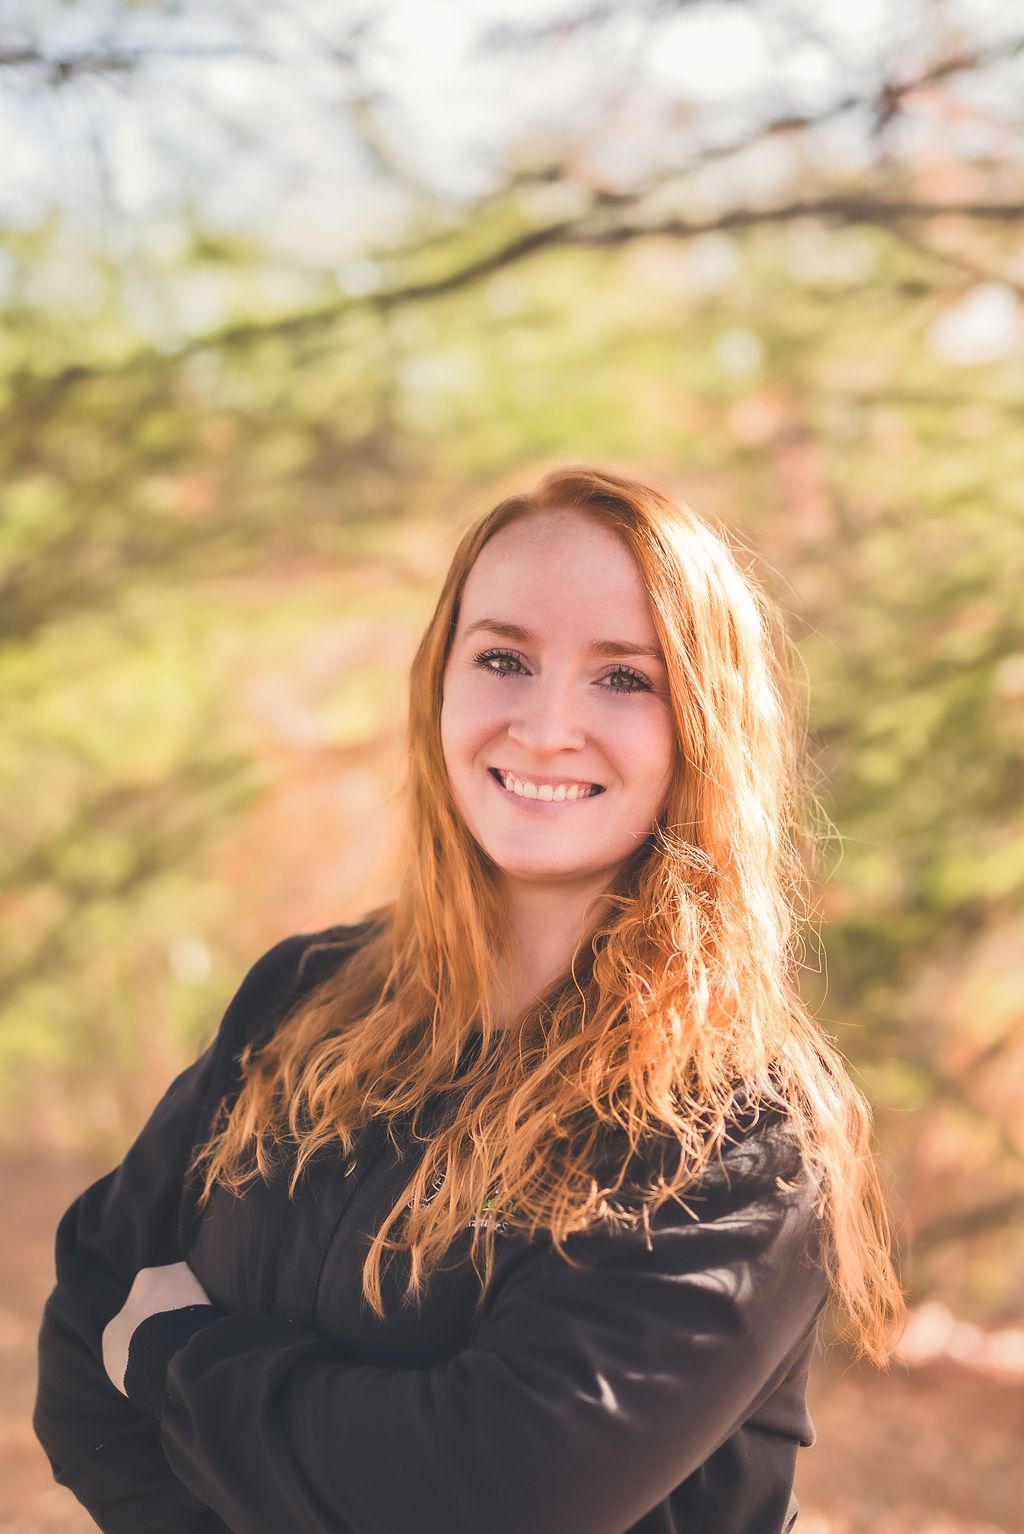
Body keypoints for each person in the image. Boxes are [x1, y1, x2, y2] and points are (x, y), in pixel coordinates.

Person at [33, 465, 907, 1534]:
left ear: (702, 725)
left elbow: (492, 1496)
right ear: (438, 684)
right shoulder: (299, 1000)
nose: (545, 727)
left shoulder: (736, 1130)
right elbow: (84, 1356)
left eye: (624, 678)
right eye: (503, 658)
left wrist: (173, 1354)